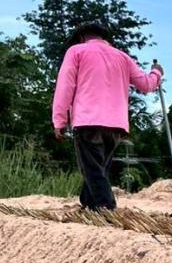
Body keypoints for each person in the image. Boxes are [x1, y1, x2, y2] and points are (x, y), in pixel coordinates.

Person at [51, 22, 164, 211]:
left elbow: (65, 86)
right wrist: (157, 73)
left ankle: (106, 208)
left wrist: (59, 120)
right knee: (97, 168)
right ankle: (88, 203)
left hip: (88, 121)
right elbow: (145, 84)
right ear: (104, 38)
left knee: (93, 169)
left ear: (81, 37)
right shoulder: (122, 57)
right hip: (116, 125)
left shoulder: (76, 51)